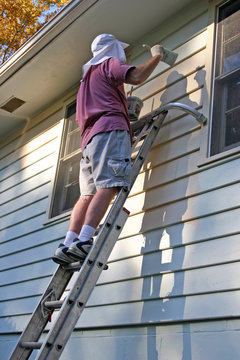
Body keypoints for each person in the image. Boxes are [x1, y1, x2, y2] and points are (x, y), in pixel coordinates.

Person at [52, 34, 164, 265]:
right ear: (112, 49)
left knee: (87, 194)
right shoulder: (108, 63)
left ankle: (68, 243)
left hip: (89, 141)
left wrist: (123, 107)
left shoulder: (85, 81)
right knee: (110, 185)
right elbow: (137, 76)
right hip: (110, 130)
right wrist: (157, 55)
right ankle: (84, 241)